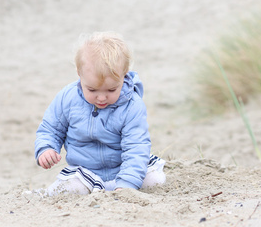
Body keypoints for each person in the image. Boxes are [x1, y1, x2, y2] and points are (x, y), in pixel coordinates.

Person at [34, 32, 166, 196]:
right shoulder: (67, 98)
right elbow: (51, 129)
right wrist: (46, 149)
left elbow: (136, 147)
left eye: (111, 90)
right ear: (79, 74)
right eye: (92, 89)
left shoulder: (132, 106)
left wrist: (127, 184)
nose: (102, 98)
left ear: (124, 76)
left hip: (122, 168)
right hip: (85, 172)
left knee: (155, 180)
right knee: (68, 190)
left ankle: (125, 183)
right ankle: (45, 194)